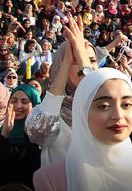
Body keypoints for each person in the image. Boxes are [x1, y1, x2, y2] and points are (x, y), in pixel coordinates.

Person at [25, 16, 97, 165]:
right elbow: (40, 134)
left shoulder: (105, 107)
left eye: (92, 61)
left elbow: (97, 94)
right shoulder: (44, 111)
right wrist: (67, 62)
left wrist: (82, 59)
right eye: (77, 61)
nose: (87, 67)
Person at [0, 83, 42, 189]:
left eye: (24, 102)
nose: (18, 106)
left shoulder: (42, 136)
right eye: (14, 101)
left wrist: (29, 135)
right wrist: (4, 135)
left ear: (35, 106)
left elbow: (36, 167)